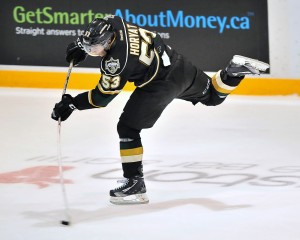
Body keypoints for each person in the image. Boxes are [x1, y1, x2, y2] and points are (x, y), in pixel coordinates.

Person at [51, 15, 270, 205]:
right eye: (91, 48)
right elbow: (96, 35)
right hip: (177, 64)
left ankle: (134, 183)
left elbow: (101, 98)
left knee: (127, 128)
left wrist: (72, 103)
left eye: (95, 48)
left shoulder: (116, 62)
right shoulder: (113, 23)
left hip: (160, 83)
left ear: (109, 41)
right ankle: (233, 72)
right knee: (212, 95)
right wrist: (82, 46)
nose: (94, 52)